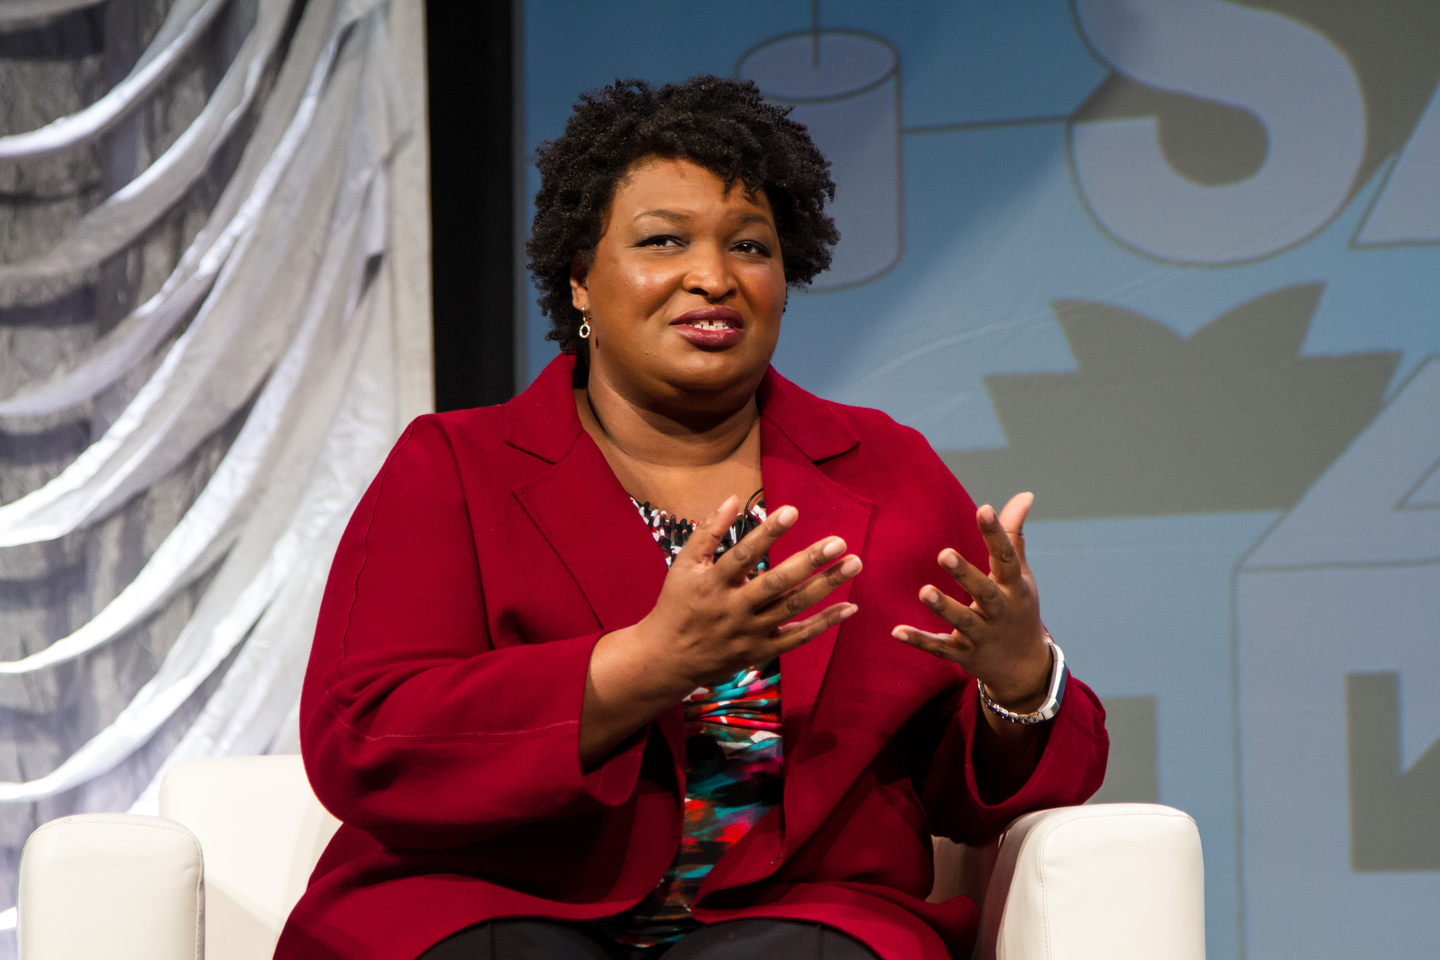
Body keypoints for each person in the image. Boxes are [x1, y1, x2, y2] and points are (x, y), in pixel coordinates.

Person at [275, 76, 1107, 960]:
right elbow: (366, 738)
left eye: (750, 247)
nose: (712, 278)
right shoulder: (456, 465)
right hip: (496, 906)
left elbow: (958, 792)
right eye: (663, 241)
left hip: (795, 924)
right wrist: (645, 665)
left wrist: (1018, 687)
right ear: (580, 281)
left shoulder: (885, 470)